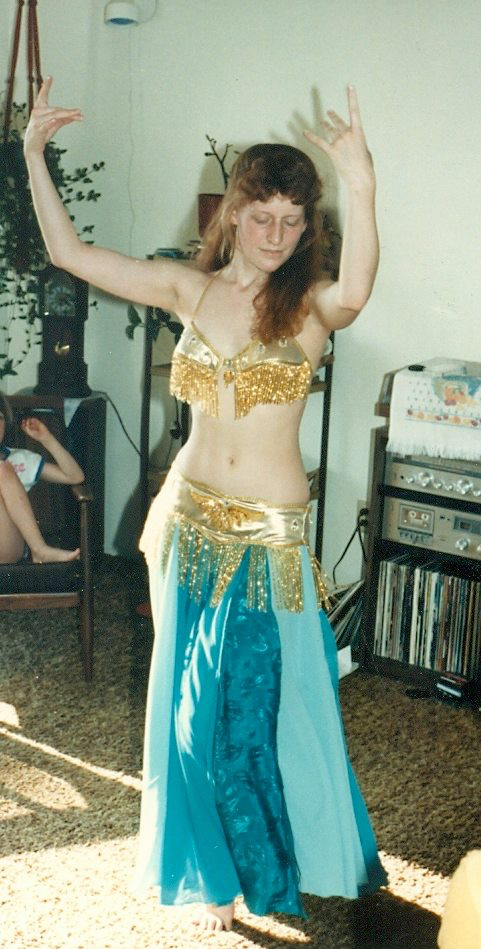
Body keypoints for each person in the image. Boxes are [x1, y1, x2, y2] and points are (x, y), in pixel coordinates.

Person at [24, 77, 387, 931]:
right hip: (185, 524)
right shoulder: (187, 290)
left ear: (308, 226)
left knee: (249, 711)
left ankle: (265, 862)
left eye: (292, 221)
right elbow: (72, 254)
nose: (276, 235)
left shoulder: (309, 306)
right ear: (233, 212)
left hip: (266, 540)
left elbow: (356, 289)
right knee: (187, 706)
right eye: (262, 216)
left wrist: (361, 180)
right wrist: (32, 153)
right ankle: (211, 868)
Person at [0, 392, 84, 563]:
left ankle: (39, 550)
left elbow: (75, 476)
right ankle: (40, 550)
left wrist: (47, 439)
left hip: (6, 546)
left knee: (2, 469)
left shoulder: (18, 460)